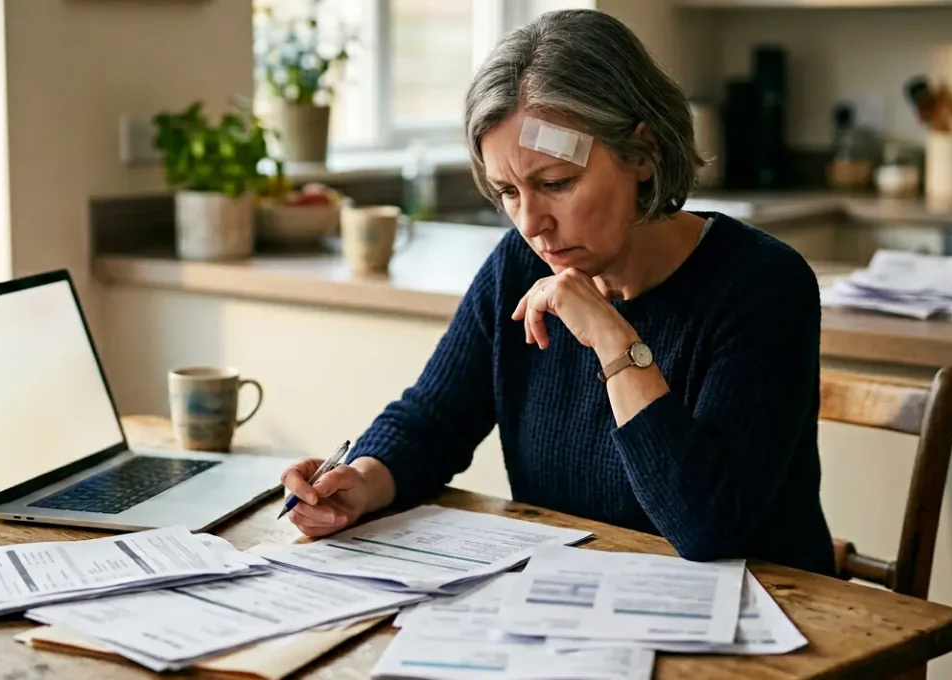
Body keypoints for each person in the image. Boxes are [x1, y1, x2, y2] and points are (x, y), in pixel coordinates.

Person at [278, 9, 835, 576]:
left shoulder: (763, 284)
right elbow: (433, 420)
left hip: (774, 624)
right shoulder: (521, 264)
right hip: (575, 605)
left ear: (643, 154)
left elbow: (707, 527)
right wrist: (364, 481)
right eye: (507, 191)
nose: (530, 223)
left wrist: (614, 341)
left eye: (556, 183)